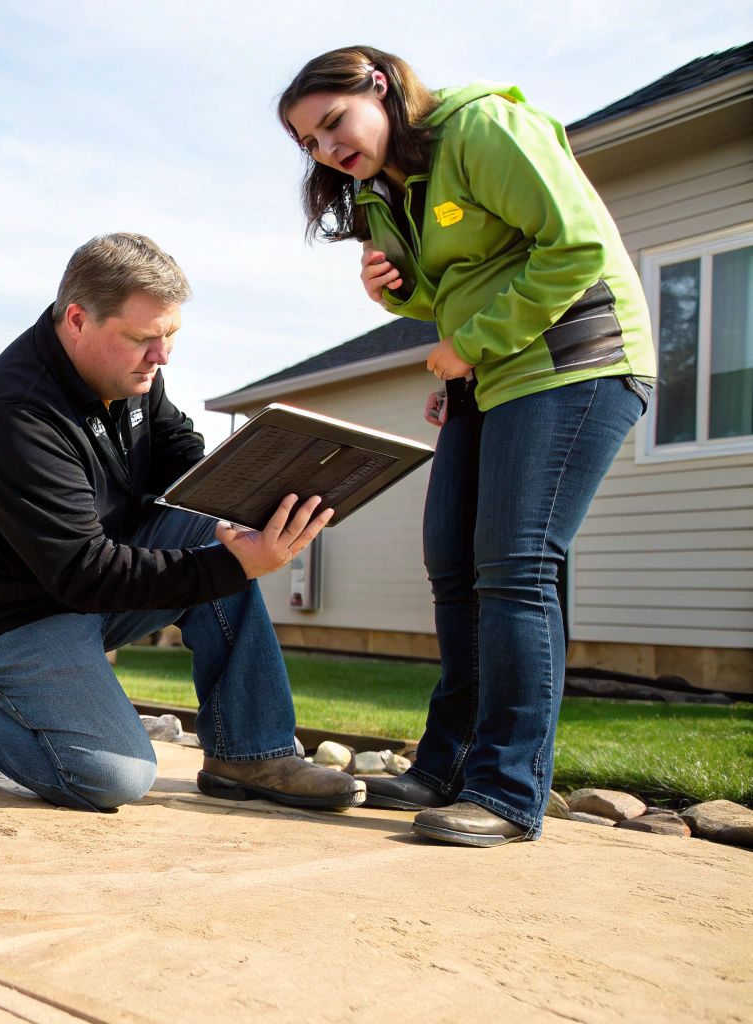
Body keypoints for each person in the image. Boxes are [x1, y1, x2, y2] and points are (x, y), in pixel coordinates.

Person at [277, 47, 655, 846]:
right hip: (488, 376)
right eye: (309, 142)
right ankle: (443, 766)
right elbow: (452, 286)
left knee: (516, 565)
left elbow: (576, 247)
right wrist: (399, 292)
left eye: (332, 122)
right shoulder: (384, 190)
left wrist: (472, 345)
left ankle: (508, 790)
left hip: (577, 360)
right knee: (453, 564)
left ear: (378, 86)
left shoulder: (480, 125)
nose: (327, 149)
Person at [0, 232, 359, 814]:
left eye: (170, 337)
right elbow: (84, 573)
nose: (162, 356)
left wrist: (252, 498)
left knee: (214, 534)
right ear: (77, 320)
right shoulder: (14, 417)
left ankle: (248, 754)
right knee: (115, 776)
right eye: (144, 338)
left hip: (75, 586)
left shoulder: (130, 373)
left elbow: (177, 449)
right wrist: (236, 563)